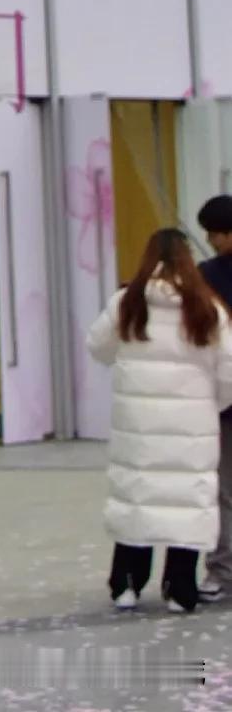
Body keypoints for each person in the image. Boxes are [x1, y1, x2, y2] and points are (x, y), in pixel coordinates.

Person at [87, 226, 232, 613]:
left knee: (138, 496)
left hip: (137, 420)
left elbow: (97, 346)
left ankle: (126, 585)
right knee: (185, 501)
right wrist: (210, 404)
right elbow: (228, 371)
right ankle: (180, 589)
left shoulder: (127, 302)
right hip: (193, 420)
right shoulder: (208, 307)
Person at [196, 195, 232, 602]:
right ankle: (222, 567)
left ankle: (222, 570)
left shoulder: (207, 276)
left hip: (223, 394)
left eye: (216, 233)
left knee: (223, 487)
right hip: (222, 393)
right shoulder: (206, 274)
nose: (211, 240)